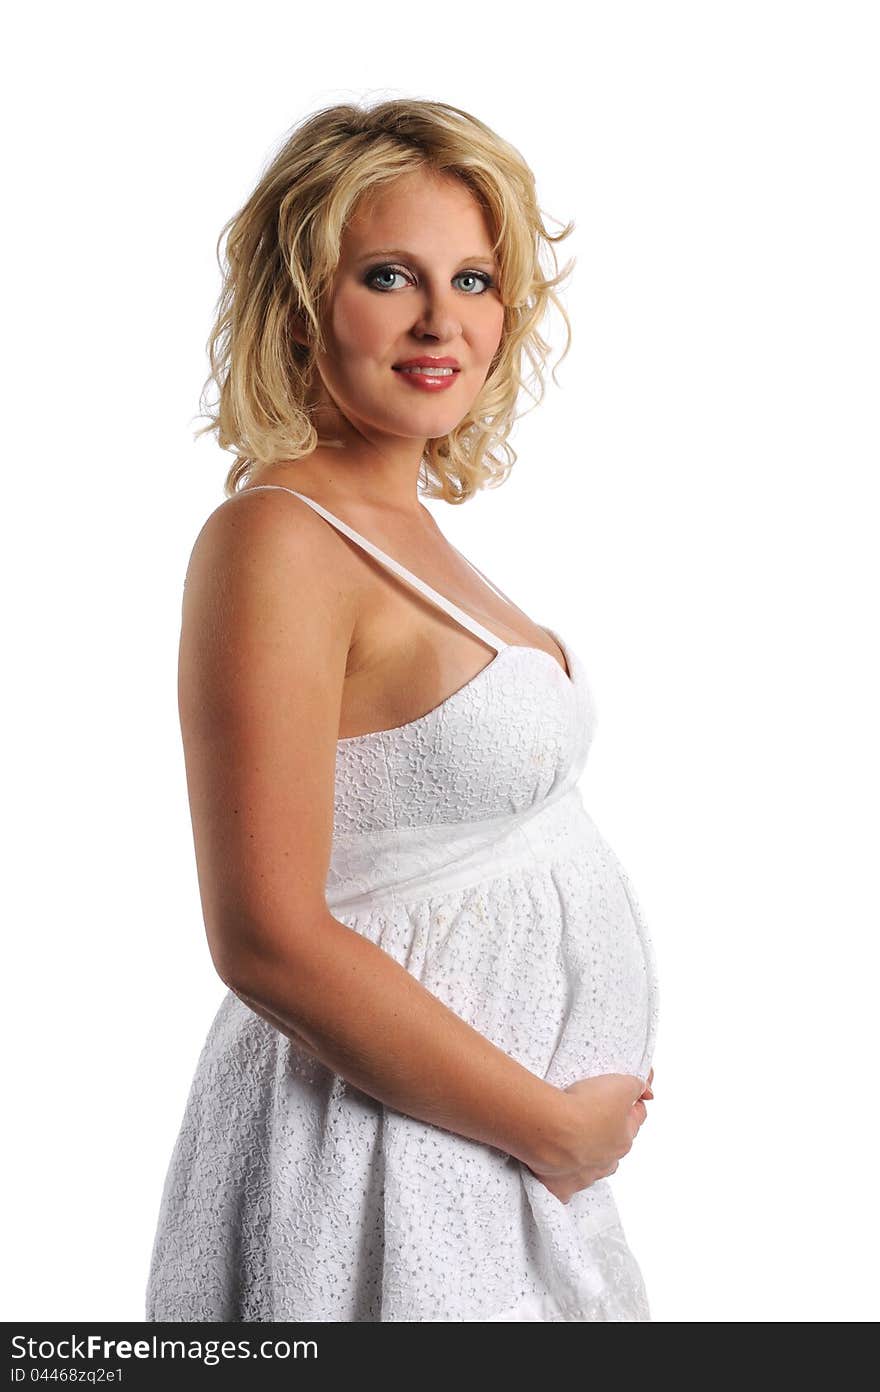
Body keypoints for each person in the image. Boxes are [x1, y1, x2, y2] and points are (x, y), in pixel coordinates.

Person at [145, 97, 660, 1323]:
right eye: (391, 276)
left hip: (476, 1156)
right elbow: (264, 935)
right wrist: (549, 1127)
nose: (445, 321)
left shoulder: (415, 534)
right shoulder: (277, 541)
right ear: (301, 300)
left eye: (476, 279)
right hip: (379, 1152)